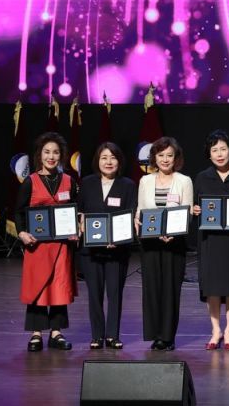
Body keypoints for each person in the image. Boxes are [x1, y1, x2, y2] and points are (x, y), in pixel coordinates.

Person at [16, 132, 78, 352]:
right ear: (39, 155)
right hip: (37, 246)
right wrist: (22, 233)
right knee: (38, 286)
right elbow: (18, 212)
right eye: (47, 152)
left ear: (61, 156)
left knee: (58, 287)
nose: (51, 157)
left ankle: (56, 332)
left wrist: (76, 229)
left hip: (61, 246)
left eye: (55, 152)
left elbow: (76, 211)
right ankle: (36, 333)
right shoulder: (30, 181)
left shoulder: (69, 181)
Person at [191, 130, 229, 350]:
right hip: (210, 239)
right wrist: (195, 210)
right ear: (208, 153)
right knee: (212, 286)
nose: (219, 154)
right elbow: (194, 206)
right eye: (214, 150)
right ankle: (216, 330)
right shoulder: (202, 177)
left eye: (223, 149)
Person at [135, 136, 194, 351]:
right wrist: (137, 221)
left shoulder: (184, 181)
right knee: (151, 289)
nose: (165, 159)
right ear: (154, 157)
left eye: (170, 155)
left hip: (174, 244)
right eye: (161, 155)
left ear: (176, 158)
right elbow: (141, 210)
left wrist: (173, 234)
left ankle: (168, 336)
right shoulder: (145, 181)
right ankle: (155, 334)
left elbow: (188, 212)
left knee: (170, 290)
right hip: (150, 243)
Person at [78, 142, 136, 350]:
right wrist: (80, 221)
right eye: (104, 157)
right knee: (94, 294)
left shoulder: (128, 185)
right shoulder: (87, 183)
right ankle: (97, 335)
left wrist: (118, 238)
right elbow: (80, 210)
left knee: (114, 293)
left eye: (113, 157)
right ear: (97, 161)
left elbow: (130, 215)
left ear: (119, 161)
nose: (108, 162)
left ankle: (112, 335)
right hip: (91, 251)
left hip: (116, 250)